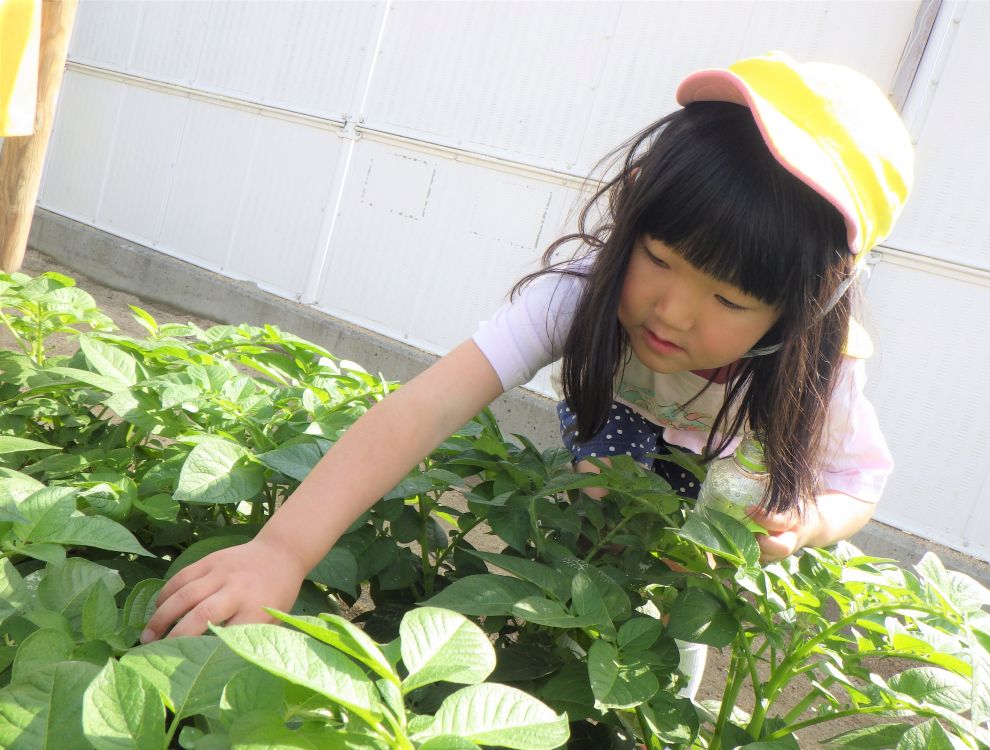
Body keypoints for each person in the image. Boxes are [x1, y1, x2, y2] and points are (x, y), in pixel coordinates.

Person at [142, 53, 914, 668]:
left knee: (666, 625)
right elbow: (426, 407)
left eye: (730, 301)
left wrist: (809, 521)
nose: (672, 312)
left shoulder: (822, 370)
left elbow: (857, 484)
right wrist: (281, 549)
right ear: (633, 206)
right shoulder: (579, 294)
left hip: (717, 479)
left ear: (806, 307)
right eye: (659, 256)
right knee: (575, 552)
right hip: (615, 427)